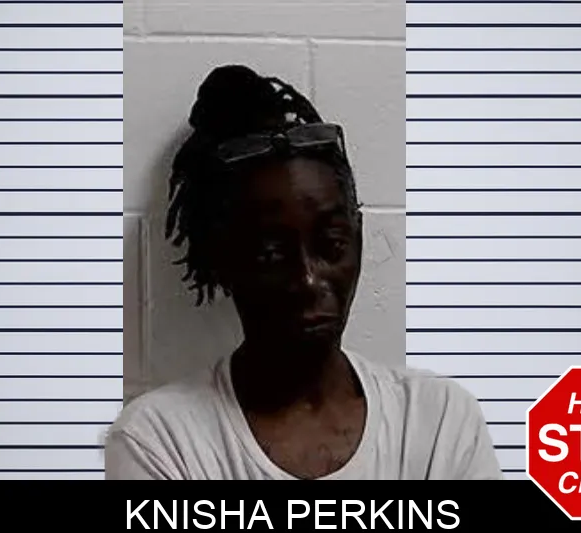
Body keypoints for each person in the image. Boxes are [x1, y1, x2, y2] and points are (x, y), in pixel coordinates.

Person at [105, 64, 503, 480]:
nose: (309, 280)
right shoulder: (161, 441)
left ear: (358, 237)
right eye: (272, 255)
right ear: (222, 259)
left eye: (332, 245)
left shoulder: (438, 423)